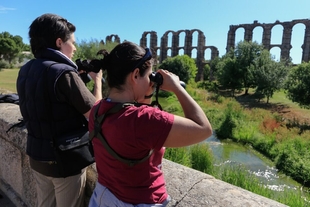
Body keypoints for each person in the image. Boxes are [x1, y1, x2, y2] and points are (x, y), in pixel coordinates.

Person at [88, 41, 212, 207]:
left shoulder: (97, 109)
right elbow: (204, 129)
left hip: (103, 197)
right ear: (136, 75)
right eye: (149, 76)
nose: (150, 81)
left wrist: (144, 93)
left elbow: (130, 122)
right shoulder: (143, 120)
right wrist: (177, 88)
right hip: (141, 201)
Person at [16, 13, 102, 207]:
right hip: (64, 161)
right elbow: (96, 114)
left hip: (37, 156)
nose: (75, 48)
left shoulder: (26, 69)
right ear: (58, 42)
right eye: (72, 42)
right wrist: (97, 81)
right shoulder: (64, 73)